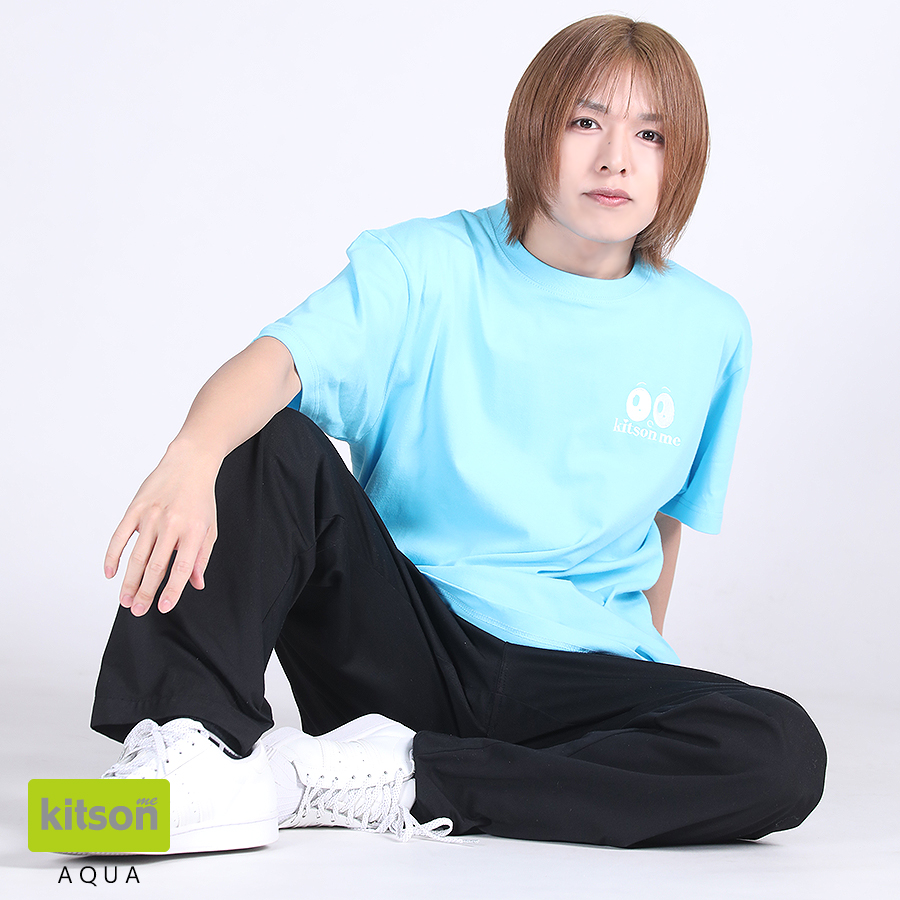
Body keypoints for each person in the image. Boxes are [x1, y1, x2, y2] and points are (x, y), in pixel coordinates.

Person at [90, 15, 826, 854]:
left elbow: (663, 521)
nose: (615, 158)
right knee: (261, 438)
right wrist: (192, 454)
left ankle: (381, 778)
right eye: (585, 121)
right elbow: (277, 364)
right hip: (408, 640)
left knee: (781, 750)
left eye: (650, 135)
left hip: (572, 677)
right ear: (533, 130)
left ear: (680, 160)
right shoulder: (425, 266)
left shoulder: (710, 329)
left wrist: (640, 690)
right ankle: (187, 754)